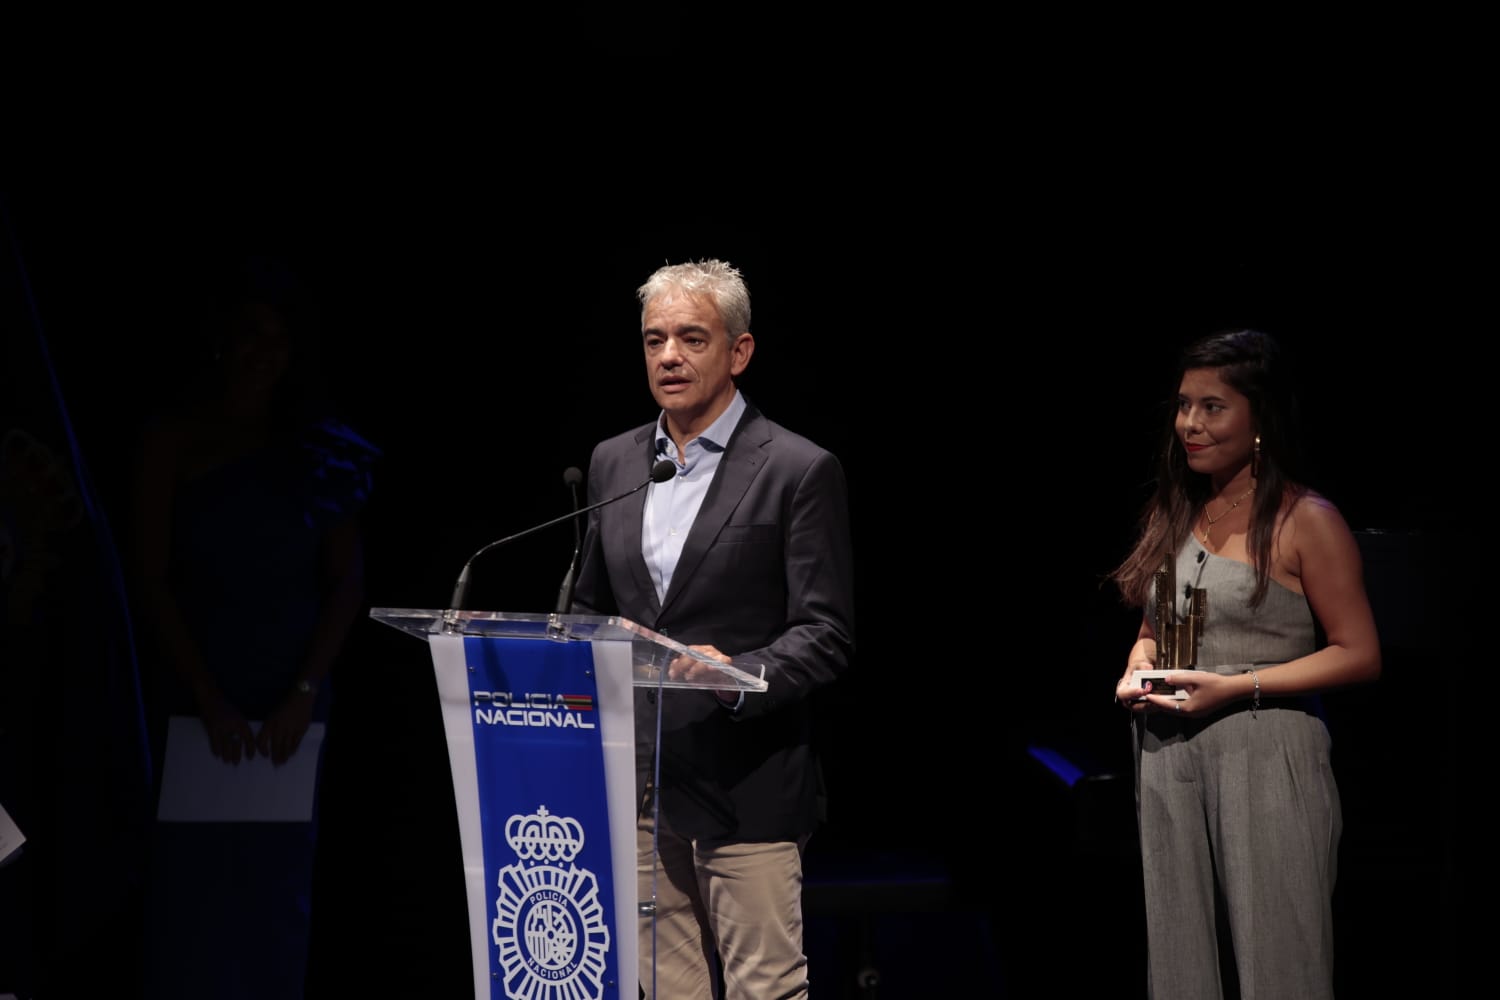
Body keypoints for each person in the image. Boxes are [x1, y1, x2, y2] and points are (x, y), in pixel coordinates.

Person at [570, 258, 855, 999]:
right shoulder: (613, 462)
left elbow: (825, 631)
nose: (669, 356)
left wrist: (735, 676)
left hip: (746, 783)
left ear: (739, 351)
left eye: (692, 338)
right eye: (654, 339)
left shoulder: (797, 468)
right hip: (641, 781)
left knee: (766, 989)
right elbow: (590, 610)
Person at [1109, 328, 1382, 999]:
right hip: (1167, 757)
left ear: (1260, 417)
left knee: (1277, 961)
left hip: (1264, 753)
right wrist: (1138, 663)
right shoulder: (1178, 512)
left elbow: (1360, 653)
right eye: (1183, 405)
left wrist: (1234, 687)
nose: (1190, 424)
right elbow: (1153, 625)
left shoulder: (1304, 519)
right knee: (1179, 962)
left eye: (1213, 407)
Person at [128, 284, 376, 998]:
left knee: (273, 893)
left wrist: (302, 692)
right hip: (196, 683)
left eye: (278, 338)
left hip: (292, 687)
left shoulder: (319, 446)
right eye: (249, 333)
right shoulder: (174, 438)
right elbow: (149, 577)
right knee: (191, 892)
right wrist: (207, 698)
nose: (263, 353)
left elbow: (347, 584)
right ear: (219, 341)